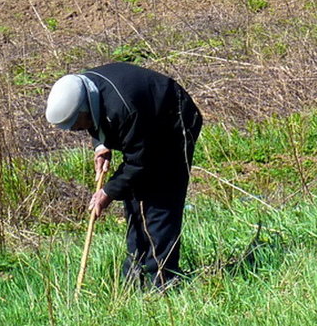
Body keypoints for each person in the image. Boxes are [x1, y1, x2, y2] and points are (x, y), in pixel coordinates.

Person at [45, 62, 202, 290]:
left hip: (173, 123)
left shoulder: (124, 109)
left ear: (84, 109)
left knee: (160, 200)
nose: (77, 131)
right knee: (134, 198)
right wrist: (101, 145)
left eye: (77, 125)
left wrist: (107, 192)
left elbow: (139, 162)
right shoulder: (85, 87)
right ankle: (135, 275)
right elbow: (98, 121)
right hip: (145, 125)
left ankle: (162, 280)